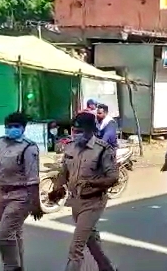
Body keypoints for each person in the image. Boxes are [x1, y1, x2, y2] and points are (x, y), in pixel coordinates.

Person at [48, 112, 119, 271]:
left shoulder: (102, 150)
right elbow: (64, 172)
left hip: (94, 202)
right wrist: (57, 189)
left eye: (80, 131)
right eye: (74, 131)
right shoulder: (70, 147)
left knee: (76, 248)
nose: (77, 135)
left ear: (91, 130)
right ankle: (107, 268)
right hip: (76, 201)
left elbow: (113, 177)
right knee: (90, 239)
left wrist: (91, 183)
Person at [0, 112, 43, 271]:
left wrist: (36, 204)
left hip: (20, 196)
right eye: (9, 126)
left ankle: (12, 267)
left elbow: (33, 179)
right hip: (0, 195)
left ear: (23, 128)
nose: (12, 129)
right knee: (15, 234)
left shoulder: (29, 147)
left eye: (16, 126)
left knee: (4, 236)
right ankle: (20, 266)